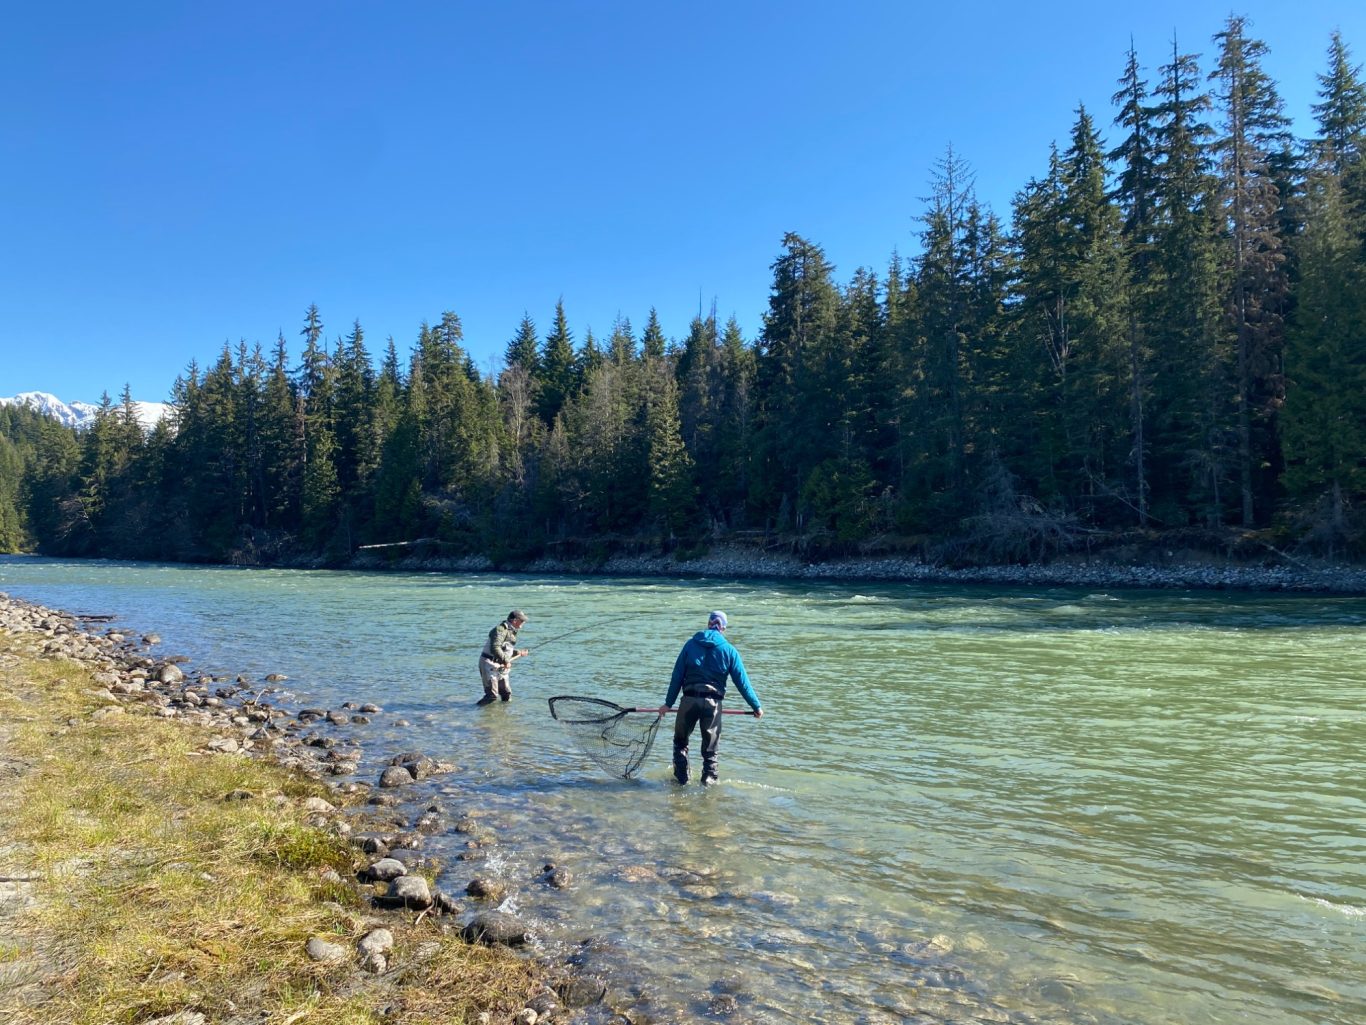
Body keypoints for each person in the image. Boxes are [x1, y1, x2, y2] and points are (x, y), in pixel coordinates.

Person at [662, 610, 762, 785]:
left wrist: (668, 704)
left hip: (689, 700)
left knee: (680, 743)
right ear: (723, 628)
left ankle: (681, 781)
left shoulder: (690, 645)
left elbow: (677, 677)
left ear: (708, 624)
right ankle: (708, 786)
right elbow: (742, 682)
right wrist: (756, 706)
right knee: (711, 750)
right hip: (713, 704)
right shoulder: (729, 650)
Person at [478, 609, 528, 706]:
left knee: (506, 694)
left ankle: (503, 714)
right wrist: (506, 661)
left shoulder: (511, 631)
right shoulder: (500, 630)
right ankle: (475, 710)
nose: (524, 622)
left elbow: (505, 649)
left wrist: (518, 652)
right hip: (489, 663)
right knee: (492, 696)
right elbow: (495, 648)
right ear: (515, 620)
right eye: (522, 620)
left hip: (500, 665)